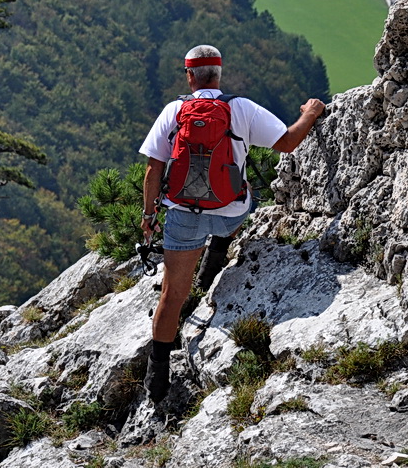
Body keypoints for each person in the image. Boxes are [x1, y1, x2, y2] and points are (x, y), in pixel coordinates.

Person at [137, 44, 326, 402]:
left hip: (182, 217)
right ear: (219, 75)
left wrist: (149, 217)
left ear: (189, 76)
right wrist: (311, 113)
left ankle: (156, 378)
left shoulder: (174, 111)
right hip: (228, 215)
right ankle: (217, 254)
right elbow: (287, 142)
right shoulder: (241, 108)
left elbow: (153, 170)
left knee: (172, 294)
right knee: (245, 189)